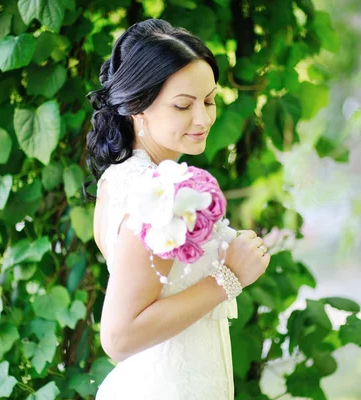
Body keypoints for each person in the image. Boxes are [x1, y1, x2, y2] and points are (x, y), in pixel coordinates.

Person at [85, 19, 271, 399]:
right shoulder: (158, 191)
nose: (202, 119)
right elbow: (119, 337)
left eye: (209, 101)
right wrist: (229, 276)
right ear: (137, 107)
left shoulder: (118, 180)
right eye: (183, 105)